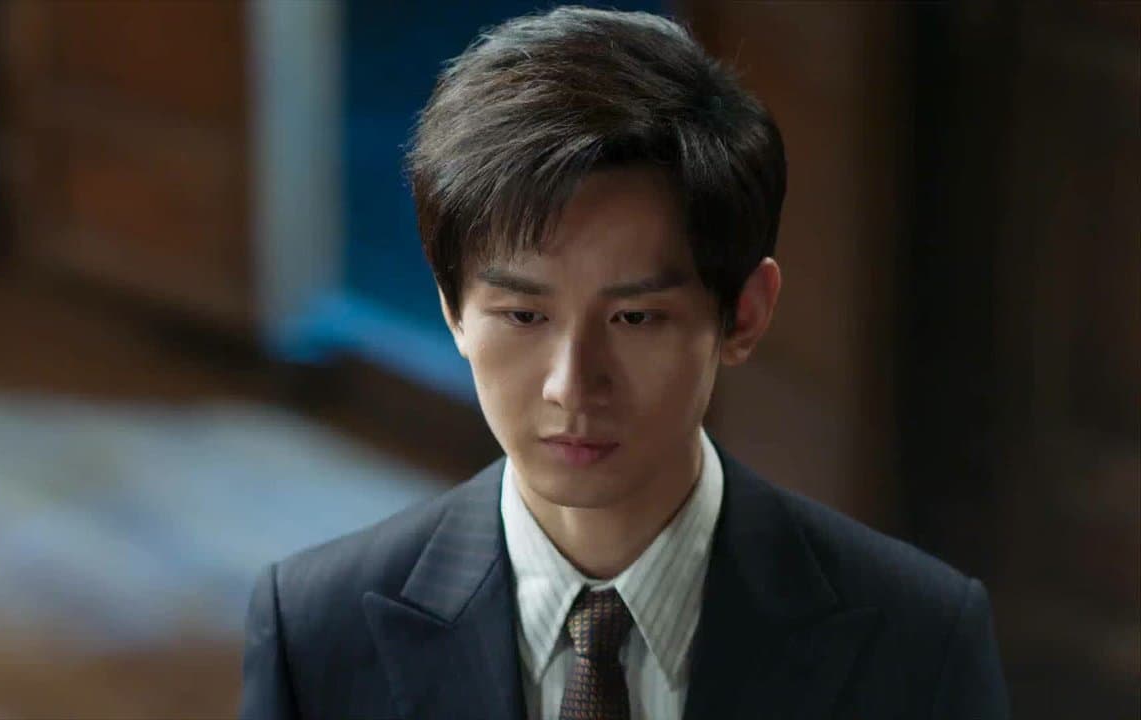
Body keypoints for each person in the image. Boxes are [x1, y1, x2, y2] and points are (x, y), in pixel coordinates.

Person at [238, 7, 1009, 719]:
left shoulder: (918, 643)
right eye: (524, 315)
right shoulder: (316, 631)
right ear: (452, 309)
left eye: (635, 318)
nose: (572, 386)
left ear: (744, 313)